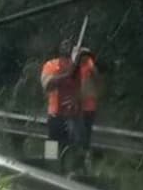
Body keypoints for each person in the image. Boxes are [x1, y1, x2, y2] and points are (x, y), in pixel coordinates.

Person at [40, 38, 82, 172]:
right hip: (55, 114)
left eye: (69, 44)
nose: (66, 46)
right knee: (52, 145)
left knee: (70, 147)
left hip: (72, 115)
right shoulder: (51, 65)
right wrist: (66, 75)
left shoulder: (77, 67)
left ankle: (68, 172)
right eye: (64, 44)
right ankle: (49, 168)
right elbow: (47, 84)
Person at [76, 46, 100, 163]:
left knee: (85, 132)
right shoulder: (75, 68)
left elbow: (95, 74)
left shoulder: (89, 66)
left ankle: (84, 156)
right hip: (75, 106)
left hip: (87, 106)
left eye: (87, 55)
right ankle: (79, 154)